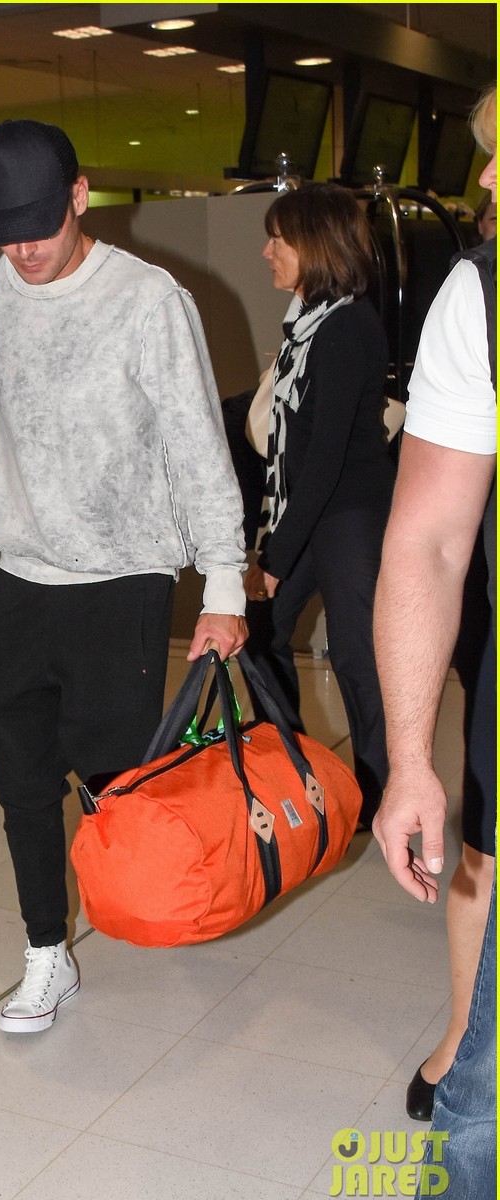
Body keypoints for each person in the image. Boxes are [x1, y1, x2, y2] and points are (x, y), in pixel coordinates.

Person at [0, 119, 248, 1033]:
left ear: (79, 195)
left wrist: (223, 590)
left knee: (118, 779)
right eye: (3, 230)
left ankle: (170, 888)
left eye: (39, 226)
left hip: (125, 577)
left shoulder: (149, 301)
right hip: (22, 576)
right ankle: (43, 952)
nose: (23, 249)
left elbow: (198, 449)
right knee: (20, 779)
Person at [372, 83, 496, 1200]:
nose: (489, 184)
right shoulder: (479, 296)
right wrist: (410, 758)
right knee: (485, 1126)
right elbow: (430, 537)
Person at [242, 184, 395, 830]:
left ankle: (381, 794)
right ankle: (293, 763)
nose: (266, 251)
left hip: (352, 512)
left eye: (279, 239)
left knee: (360, 658)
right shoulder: (306, 327)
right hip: (312, 509)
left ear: (315, 246)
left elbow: (328, 456)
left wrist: (276, 555)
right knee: (260, 631)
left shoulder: (347, 326)